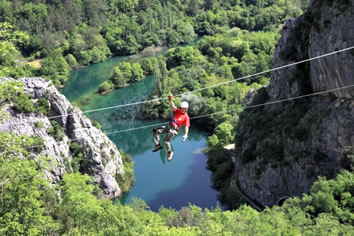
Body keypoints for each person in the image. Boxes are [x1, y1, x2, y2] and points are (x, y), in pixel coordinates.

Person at [152, 95, 190, 161]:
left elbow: (186, 126)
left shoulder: (186, 117)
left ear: (187, 109)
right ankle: (157, 145)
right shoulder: (178, 111)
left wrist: (186, 134)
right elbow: (173, 106)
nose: (184, 110)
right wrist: (170, 100)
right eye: (183, 108)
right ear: (180, 108)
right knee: (155, 131)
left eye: (185, 109)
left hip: (174, 129)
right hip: (169, 126)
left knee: (166, 141)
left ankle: (170, 152)